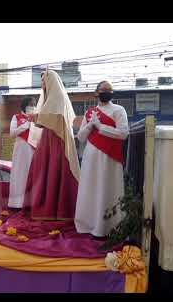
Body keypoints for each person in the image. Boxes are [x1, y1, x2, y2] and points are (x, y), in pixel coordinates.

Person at [22, 69, 80, 220]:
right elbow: (46, 120)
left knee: (55, 169)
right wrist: (37, 118)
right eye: (41, 81)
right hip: (48, 138)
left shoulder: (58, 96)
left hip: (58, 139)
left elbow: (55, 119)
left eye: (44, 81)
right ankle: (45, 210)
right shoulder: (49, 98)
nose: (42, 84)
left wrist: (37, 117)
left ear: (51, 81)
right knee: (43, 170)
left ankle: (58, 211)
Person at [74, 81, 129, 237]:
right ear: (96, 92)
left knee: (107, 189)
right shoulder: (90, 112)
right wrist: (90, 125)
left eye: (108, 90)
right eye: (102, 89)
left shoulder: (119, 110)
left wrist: (100, 126)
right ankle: (87, 225)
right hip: (91, 157)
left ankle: (108, 227)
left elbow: (123, 133)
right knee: (89, 190)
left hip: (109, 158)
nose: (105, 92)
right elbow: (81, 137)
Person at [7, 97, 35, 209]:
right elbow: (12, 133)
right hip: (20, 150)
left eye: (34, 105)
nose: (32, 107)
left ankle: (30, 203)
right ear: (24, 105)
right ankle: (16, 204)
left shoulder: (36, 119)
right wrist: (25, 125)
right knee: (18, 175)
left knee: (31, 176)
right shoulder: (16, 117)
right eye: (30, 104)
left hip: (32, 150)